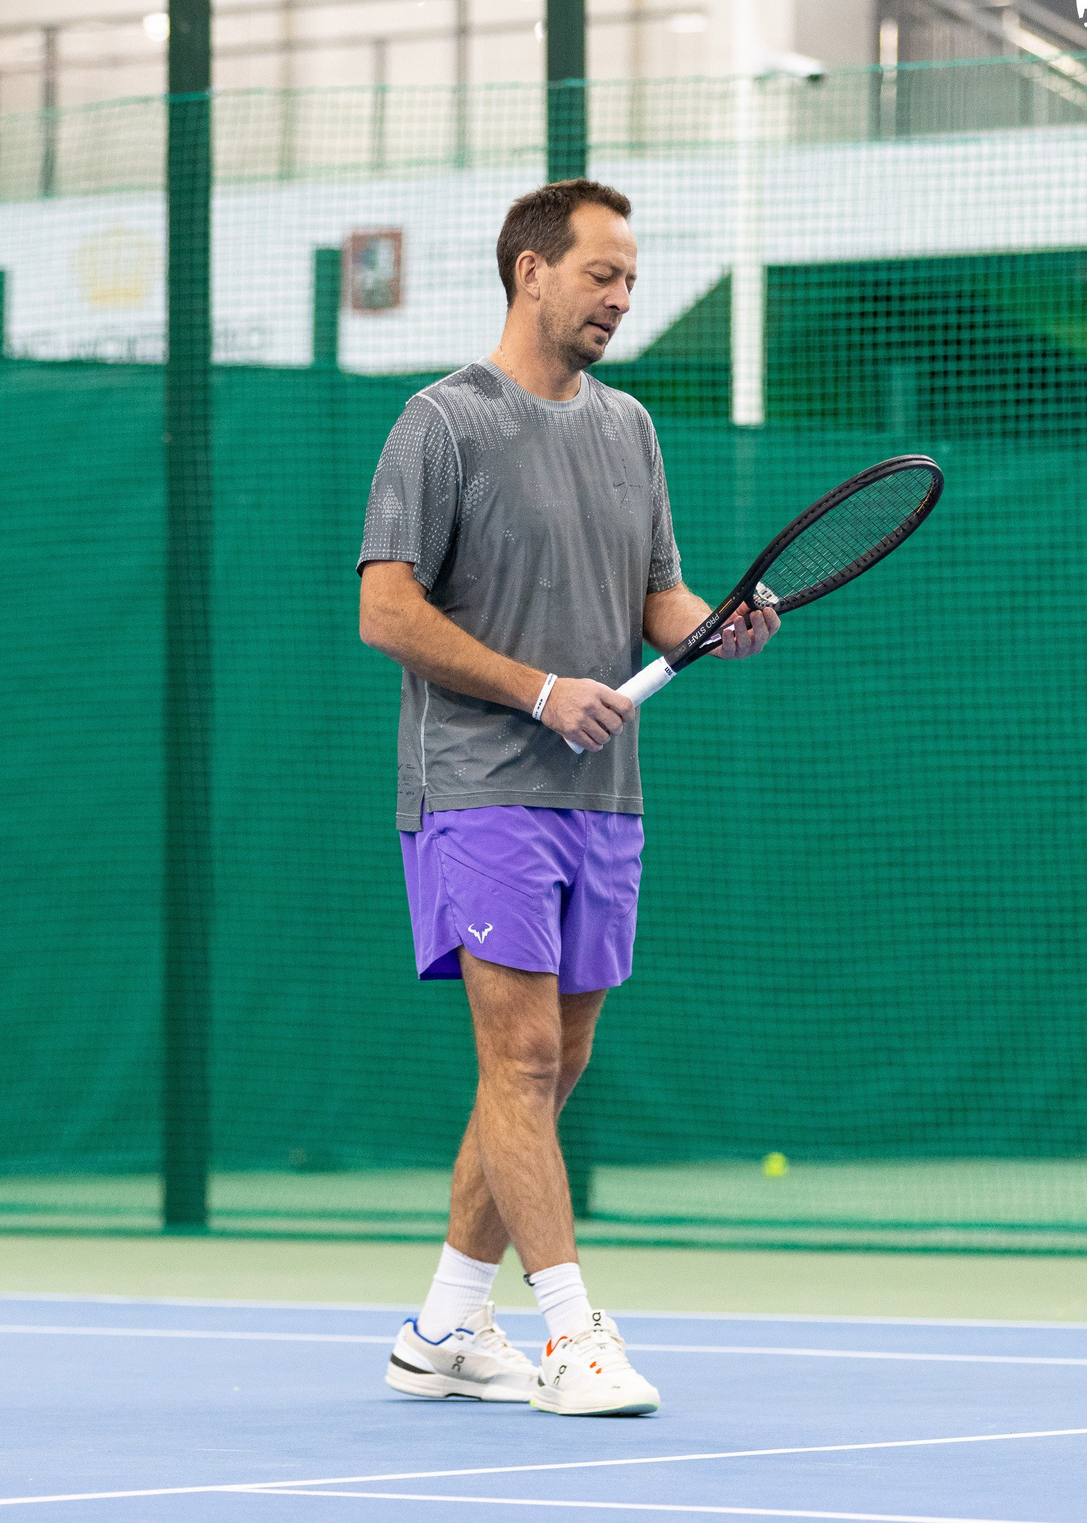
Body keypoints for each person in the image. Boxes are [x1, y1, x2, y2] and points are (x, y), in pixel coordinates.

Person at [355, 179, 777, 1418]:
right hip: (477, 787)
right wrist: (539, 691)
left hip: (605, 796)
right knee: (522, 1055)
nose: (621, 297)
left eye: (630, 278)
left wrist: (714, 629)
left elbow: (659, 595)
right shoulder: (439, 424)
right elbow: (385, 611)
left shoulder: (630, 428)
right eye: (602, 273)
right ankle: (574, 1336)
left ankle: (440, 1327)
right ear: (531, 271)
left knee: (554, 1060)